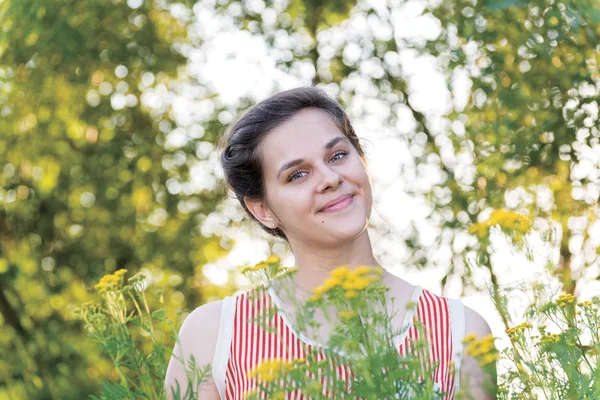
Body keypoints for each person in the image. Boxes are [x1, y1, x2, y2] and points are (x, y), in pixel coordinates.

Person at [164, 87, 496, 399]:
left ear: (362, 161)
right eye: (297, 174)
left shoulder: (460, 332)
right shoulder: (213, 336)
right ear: (263, 209)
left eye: (337, 155)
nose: (330, 178)